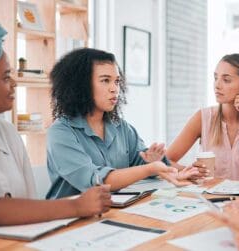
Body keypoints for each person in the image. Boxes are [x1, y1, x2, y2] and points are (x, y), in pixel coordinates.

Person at [0, 7, 112, 228]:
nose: (14, 83)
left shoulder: (7, 133)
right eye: (6, 77)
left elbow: (29, 205)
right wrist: (77, 206)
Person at [46, 48, 198, 199]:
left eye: (117, 81)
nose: (115, 89)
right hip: (69, 219)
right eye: (105, 80)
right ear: (80, 85)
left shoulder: (121, 127)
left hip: (113, 210)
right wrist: (149, 168)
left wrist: (156, 162)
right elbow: (96, 182)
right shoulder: (60, 133)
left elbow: (141, 162)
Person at [166, 54, 239, 181]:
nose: (217, 85)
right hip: (211, 198)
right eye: (215, 77)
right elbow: (166, 161)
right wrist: (190, 171)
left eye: (226, 80)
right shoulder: (203, 117)